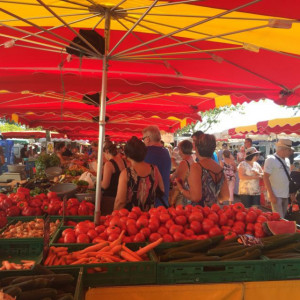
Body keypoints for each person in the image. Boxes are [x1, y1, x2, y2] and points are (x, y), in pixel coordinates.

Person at [176, 134, 229, 207]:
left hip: (197, 213)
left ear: (197, 148)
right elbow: (225, 196)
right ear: (213, 149)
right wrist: (211, 196)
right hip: (213, 212)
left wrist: (181, 188)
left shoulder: (197, 167)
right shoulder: (219, 169)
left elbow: (195, 197)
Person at [114, 137, 164, 211]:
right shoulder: (154, 169)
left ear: (127, 154)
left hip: (130, 218)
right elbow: (162, 190)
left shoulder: (126, 173)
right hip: (150, 217)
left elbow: (120, 201)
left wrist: (114, 214)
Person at [264, 139, 295, 218]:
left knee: (283, 217)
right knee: (279, 218)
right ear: (283, 150)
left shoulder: (287, 160)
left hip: (285, 194)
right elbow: (265, 177)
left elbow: (288, 177)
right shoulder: (271, 159)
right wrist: (271, 195)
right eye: (289, 150)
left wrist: (291, 193)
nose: (291, 152)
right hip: (276, 194)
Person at [142, 125, 171, 207]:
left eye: (143, 139)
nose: (143, 141)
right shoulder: (166, 152)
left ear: (147, 139)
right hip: (163, 199)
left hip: (151, 202)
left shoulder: (146, 152)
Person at [170, 140, 195, 206]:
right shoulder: (191, 159)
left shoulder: (184, 163)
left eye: (179, 148)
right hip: (189, 197)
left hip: (182, 199)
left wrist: (172, 201)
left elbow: (178, 184)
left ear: (182, 149)